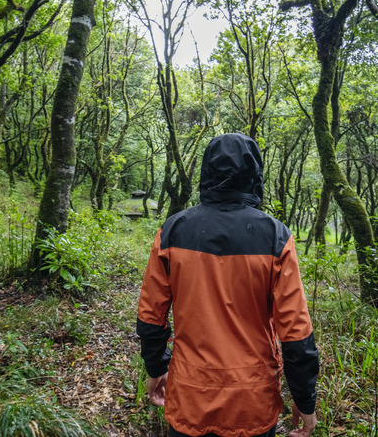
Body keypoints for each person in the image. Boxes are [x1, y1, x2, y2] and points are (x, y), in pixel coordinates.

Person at [137, 133, 319, 437]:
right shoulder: (276, 237)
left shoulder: (173, 231)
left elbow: (150, 316)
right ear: (255, 174)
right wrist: (305, 400)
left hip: (189, 396)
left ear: (206, 171)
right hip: (252, 402)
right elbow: (296, 332)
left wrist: (156, 368)